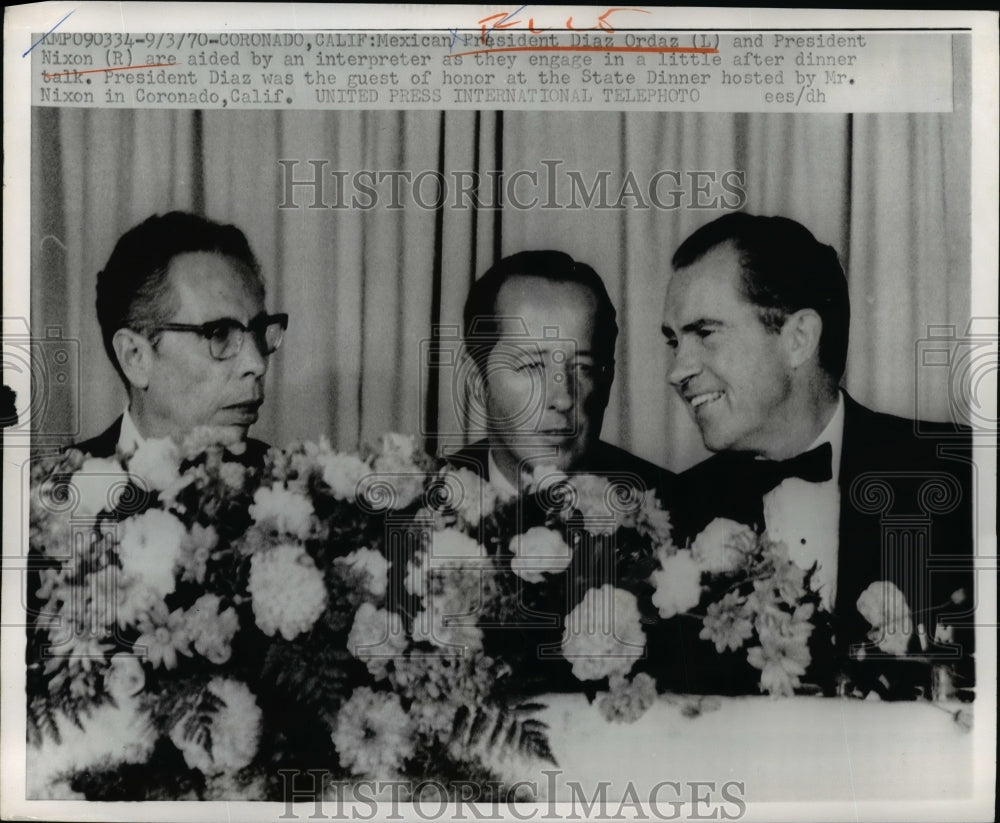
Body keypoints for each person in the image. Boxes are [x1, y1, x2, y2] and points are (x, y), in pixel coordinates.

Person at [659, 212, 974, 696]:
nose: (677, 370)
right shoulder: (673, 512)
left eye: (705, 333)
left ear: (799, 338)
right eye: (674, 341)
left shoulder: (963, 476)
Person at [447, 249, 668, 495]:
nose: (563, 399)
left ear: (607, 380)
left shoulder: (666, 501)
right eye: (532, 366)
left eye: (583, 367)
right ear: (477, 382)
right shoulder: (417, 506)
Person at [72, 211, 287, 462]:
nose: (257, 364)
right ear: (135, 357)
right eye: (220, 334)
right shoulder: (49, 489)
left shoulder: (297, 485)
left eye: (260, 331)